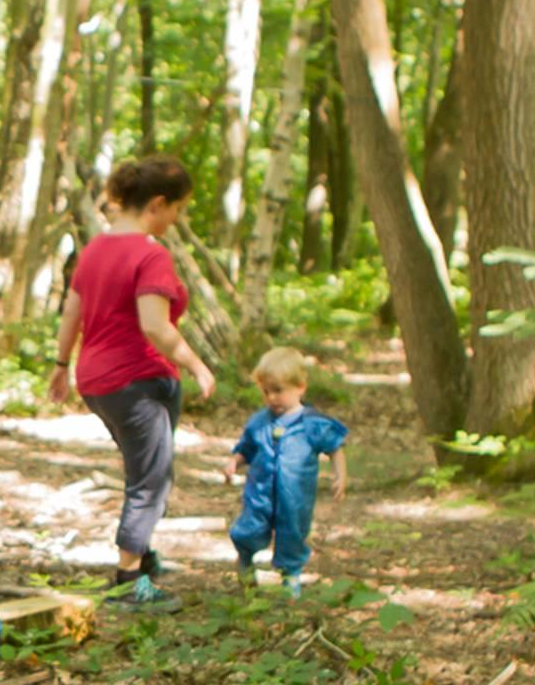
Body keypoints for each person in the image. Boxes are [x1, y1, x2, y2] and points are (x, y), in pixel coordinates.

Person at [48, 155, 217, 613]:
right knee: (151, 478)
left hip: (97, 378)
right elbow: (155, 327)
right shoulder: (149, 253)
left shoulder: (95, 249)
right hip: (139, 377)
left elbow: (72, 311)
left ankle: (141, 555)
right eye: (177, 210)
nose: (176, 220)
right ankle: (129, 579)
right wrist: (198, 366)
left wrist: (61, 363)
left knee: (144, 469)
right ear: (157, 204)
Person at [222, 347, 349, 596]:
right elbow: (246, 448)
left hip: (296, 496)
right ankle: (246, 561)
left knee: (292, 532)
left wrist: (340, 475)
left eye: (278, 391)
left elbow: (335, 447)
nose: (271, 398)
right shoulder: (260, 421)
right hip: (260, 491)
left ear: (300, 387)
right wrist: (234, 462)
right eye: (266, 391)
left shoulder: (312, 424)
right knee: (250, 528)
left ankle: (290, 577)